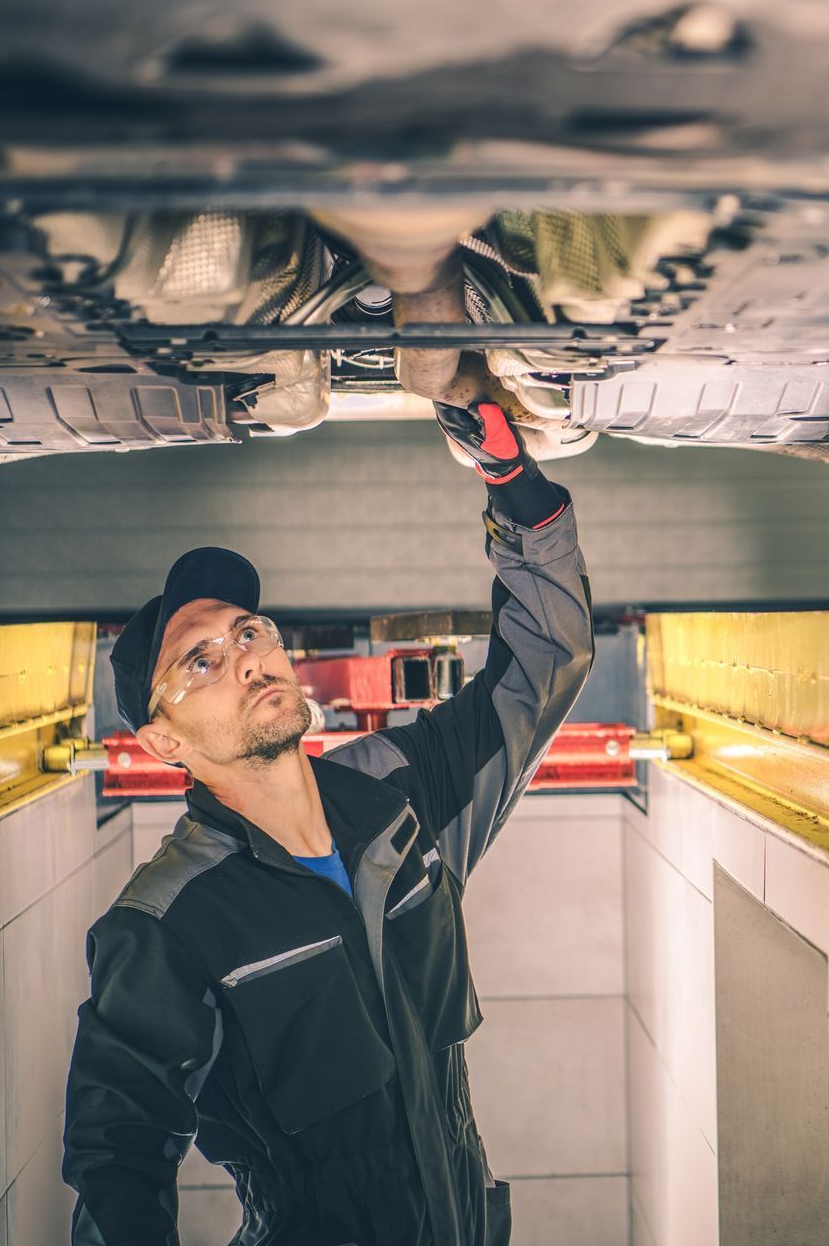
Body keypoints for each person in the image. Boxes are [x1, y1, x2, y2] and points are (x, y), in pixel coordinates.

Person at [62, 402, 595, 1245]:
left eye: (249, 632)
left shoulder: (399, 800)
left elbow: (546, 665)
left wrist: (513, 486)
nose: (244, 656)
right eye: (201, 661)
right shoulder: (166, 923)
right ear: (163, 740)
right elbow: (117, 1159)